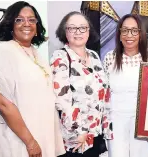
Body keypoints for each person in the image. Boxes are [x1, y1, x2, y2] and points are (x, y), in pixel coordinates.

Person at [0, 1, 65, 157]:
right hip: (20, 141)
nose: (26, 24)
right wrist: (29, 142)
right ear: (11, 25)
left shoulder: (35, 52)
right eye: (19, 19)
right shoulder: (3, 52)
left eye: (31, 19)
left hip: (42, 137)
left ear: (37, 26)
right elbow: (1, 103)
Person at [51, 11, 112, 157]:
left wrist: (106, 128)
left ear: (89, 31)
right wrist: (79, 131)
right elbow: (62, 100)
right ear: (65, 32)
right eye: (72, 28)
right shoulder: (60, 57)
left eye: (82, 28)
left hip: (96, 134)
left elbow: (104, 94)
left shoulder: (94, 56)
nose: (78, 32)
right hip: (76, 138)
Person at [102, 14, 148, 157]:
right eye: (124, 30)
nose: (129, 35)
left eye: (134, 30)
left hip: (142, 123)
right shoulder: (109, 57)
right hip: (116, 122)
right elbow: (104, 94)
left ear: (140, 34)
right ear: (119, 34)